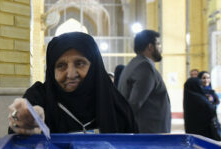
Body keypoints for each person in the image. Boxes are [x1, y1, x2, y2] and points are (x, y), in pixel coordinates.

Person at [8, 32, 138, 134]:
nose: (70, 74)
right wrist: (23, 119)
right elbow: (27, 114)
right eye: (61, 66)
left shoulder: (117, 106)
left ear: (94, 66)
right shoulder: (40, 96)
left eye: (79, 63)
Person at [118, 29, 171, 133]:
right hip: (149, 134)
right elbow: (135, 103)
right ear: (150, 47)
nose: (160, 48)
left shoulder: (133, 64)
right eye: (158, 44)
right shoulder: (145, 67)